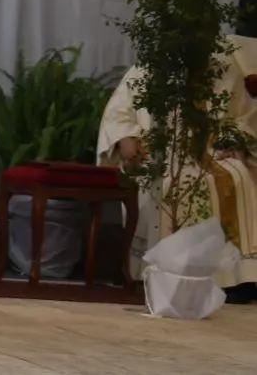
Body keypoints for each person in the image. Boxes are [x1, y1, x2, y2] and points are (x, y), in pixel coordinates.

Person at [98, 35, 257, 301]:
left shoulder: (225, 69)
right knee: (171, 181)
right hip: (156, 149)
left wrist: (235, 140)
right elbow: (119, 111)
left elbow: (241, 116)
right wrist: (125, 138)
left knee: (238, 175)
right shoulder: (149, 68)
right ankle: (162, 269)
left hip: (212, 151)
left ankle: (232, 278)